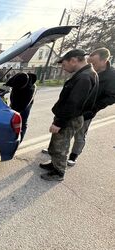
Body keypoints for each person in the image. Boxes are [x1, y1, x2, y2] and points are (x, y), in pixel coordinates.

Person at [40, 49, 98, 181]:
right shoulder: (85, 73)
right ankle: (54, 164)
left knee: (61, 145)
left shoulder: (84, 77)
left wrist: (59, 122)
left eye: (64, 64)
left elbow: (74, 103)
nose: (62, 67)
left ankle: (58, 172)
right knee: (57, 142)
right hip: (70, 116)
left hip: (70, 118)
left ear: (73, 60)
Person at [66, 48, 115, 165]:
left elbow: (112, 97)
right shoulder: (88, 70)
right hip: (74, 106)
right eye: (90, 62)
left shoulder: (112, 75)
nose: (91, 65)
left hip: (88, 110)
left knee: (80, 133)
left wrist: (94, 108)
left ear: (104, 61)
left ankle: (73, 156)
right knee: (64, 129)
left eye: (94, 63)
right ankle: (57, 151)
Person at [6, 72, 37, 141]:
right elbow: (8, 83)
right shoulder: (19, 77)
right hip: (16, 99)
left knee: (22, 121)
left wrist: (14, 112)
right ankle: (10, 136)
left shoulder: (30, 90)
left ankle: (18, 141)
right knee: (12, 119)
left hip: (25, 105)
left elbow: (21, 107)